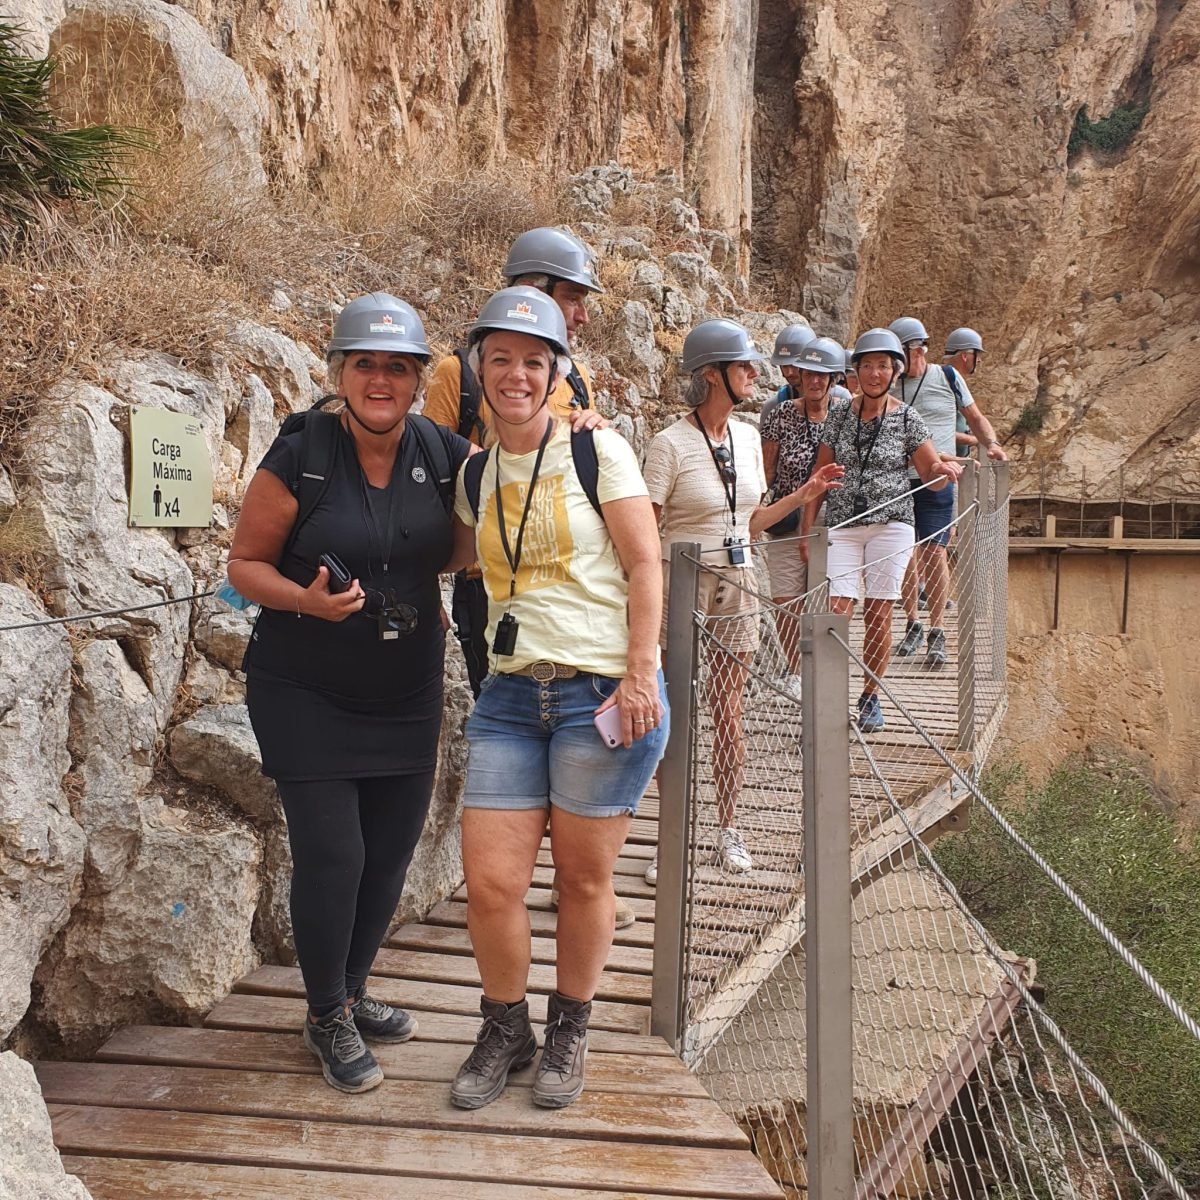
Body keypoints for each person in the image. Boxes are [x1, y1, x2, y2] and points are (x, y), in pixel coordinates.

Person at [227, 294, 473, 1094]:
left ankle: (355, 988)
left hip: (404, 687)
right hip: (304, 686)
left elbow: (500, 501)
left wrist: (578, 437)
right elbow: (245, 566)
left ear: (417, 379)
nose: (380, 379)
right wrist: (307, 600)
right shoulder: (302, 451)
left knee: (391, 855)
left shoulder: (442, 452)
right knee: (336, 856)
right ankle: (325, 1009)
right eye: (365, 363)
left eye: (397, 367)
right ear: (339, 374)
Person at [445, 287, 668, 1112]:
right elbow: (455, 553)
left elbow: (647, 564)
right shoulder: (472, 472)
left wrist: (642, 671)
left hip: (599, 692)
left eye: (532, 361)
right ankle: (506, 1026)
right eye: (499, 358)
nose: (515, 374)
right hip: (510, 695)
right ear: (478, 369)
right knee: (493, 884)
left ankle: (570, 1026)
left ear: (556, 374)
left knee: (581, 880)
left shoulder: (596, 452)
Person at [423, 227, 636, 933]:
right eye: (571, 297)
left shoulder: (570, 374)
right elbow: (433, 463)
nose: (580, 313)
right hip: (490, 580)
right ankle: (523, 874)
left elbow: (582, 456)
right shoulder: (458, 373)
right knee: (510, 715)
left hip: (568, 597)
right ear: (533, 288)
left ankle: (572, 882)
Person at [642, 318, 843, 880]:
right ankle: (669, 839)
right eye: (743, 366)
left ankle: (729, 829)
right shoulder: (669, 445)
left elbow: (750, 520)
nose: (756, 373)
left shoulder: (749, 438)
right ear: (712, 375)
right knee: (674, 714)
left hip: (740, 579)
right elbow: (646, 529)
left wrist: (805, 494)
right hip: (679, 584)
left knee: (730, 711)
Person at [803, 327, 962, 732]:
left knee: (878, 613)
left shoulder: (908, 418)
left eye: (883, 366)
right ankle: (831, 699)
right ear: (856, 371)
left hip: (892, 526)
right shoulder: (839, 415)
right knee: (837, 612)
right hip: (844, 523)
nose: (875, 373)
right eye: (868, 365)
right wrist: (808, 527)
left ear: (895, 372)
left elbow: (929, 474)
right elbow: (820, 475)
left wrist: (943, 471)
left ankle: (870, 697)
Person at [888, 317, 1007, 669]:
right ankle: (912, 621)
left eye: (900, 355)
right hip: (898, 478)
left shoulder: (947, 377)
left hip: (938, 480)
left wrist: (993, 444)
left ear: (917, 349)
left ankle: (937, 629)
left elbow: (974, 417)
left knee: (933, 552)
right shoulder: (891, 387)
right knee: (905, 552)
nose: (895, 363)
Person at [760, 335, 842, 693]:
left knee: (824, 597)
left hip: (829, 520)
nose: (815, 380)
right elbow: (767, 468)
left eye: (822, 375)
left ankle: (823, 674)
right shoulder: (779, 414)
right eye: (809, 373)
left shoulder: (846, 413)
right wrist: (758, 510)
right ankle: (795, 671)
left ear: (833, 379)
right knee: (785, 598)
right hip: (787, 516)